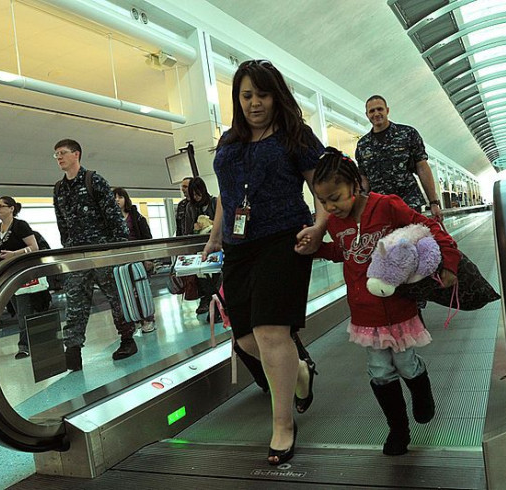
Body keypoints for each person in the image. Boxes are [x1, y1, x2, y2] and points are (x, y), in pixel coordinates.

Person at [202, 59, 328, 466]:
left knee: (272, 331)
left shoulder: (296, 136)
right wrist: (216, 233)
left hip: (284, 239)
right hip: (240, 245)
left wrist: (320, 227)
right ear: (237, 99)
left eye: (263, 94)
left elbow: (324, 188)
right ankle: (301, 373)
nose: (255, 103)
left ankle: (282, 425)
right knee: (244, 338)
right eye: (247, 95)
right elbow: (226, 194)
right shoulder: (229, 140)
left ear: (277, 95)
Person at [300, 147, 460, 456]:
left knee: (405, 363)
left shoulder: (387, 207)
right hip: (365, 314)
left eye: (336, 197)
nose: (331, 207)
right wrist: (316, 248)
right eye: (323, 202)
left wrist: (448, 262)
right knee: (379, 371)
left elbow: (426, 227)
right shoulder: (335, 223)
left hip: (399, 308)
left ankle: (420, 387)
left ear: (356, 185)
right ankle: (399, 430)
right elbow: (343, 252)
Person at [53, 138, 137, 369]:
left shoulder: (94, 181)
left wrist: (118, 252)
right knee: (75, 303)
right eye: (56, 154)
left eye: (62, 152)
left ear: (76, 154)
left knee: (116, 299)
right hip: (78, 257)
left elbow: (114, 218)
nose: (58, 157)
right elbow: (62, 223)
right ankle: (73, 351)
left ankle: (128, 340)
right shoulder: (59, 189)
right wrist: (68, 248)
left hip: (103, 253)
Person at [355, 95, 443, 220]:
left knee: (411, 239)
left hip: (408, 203)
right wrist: (359, 208)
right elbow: (364, 179)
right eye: (372, 111)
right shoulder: (363, 145)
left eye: (380, 109)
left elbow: (422, 168)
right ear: (367, 115)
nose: (376, 113)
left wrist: (433, 203)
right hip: (380, 207)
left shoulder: (408, 134)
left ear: (387, 110)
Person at [0, 196, 46, 360]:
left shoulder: (20, 225)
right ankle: (35, 338)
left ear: (11, 208)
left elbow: (34, 247)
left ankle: (24, 345)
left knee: (24, 309)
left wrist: (14, 254)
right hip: (6, 274)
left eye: (2, 206)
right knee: (17, 308)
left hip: (22, 272)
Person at [114, 187, 156, 333]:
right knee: (127, 292)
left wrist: (148, 258)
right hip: (122, 262)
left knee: (142, 289)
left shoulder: (137, 218)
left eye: (120, 197)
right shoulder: (112, 220)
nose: (117, 200)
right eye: (114, 197)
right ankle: (135, 319)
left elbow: (147, 238)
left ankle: (148, 319)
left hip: (138, 259)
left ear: (126, 199)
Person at [186, 177, 220, 315]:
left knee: (217, 274)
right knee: (202, 275)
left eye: (198, 193)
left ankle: (216, 303)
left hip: (216, 245)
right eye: (193, 194)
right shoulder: (190, 207)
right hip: (199, 246)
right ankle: (207, 299)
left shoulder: (214, 203)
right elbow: (187, 229)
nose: (196, 197)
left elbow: (221, 224)